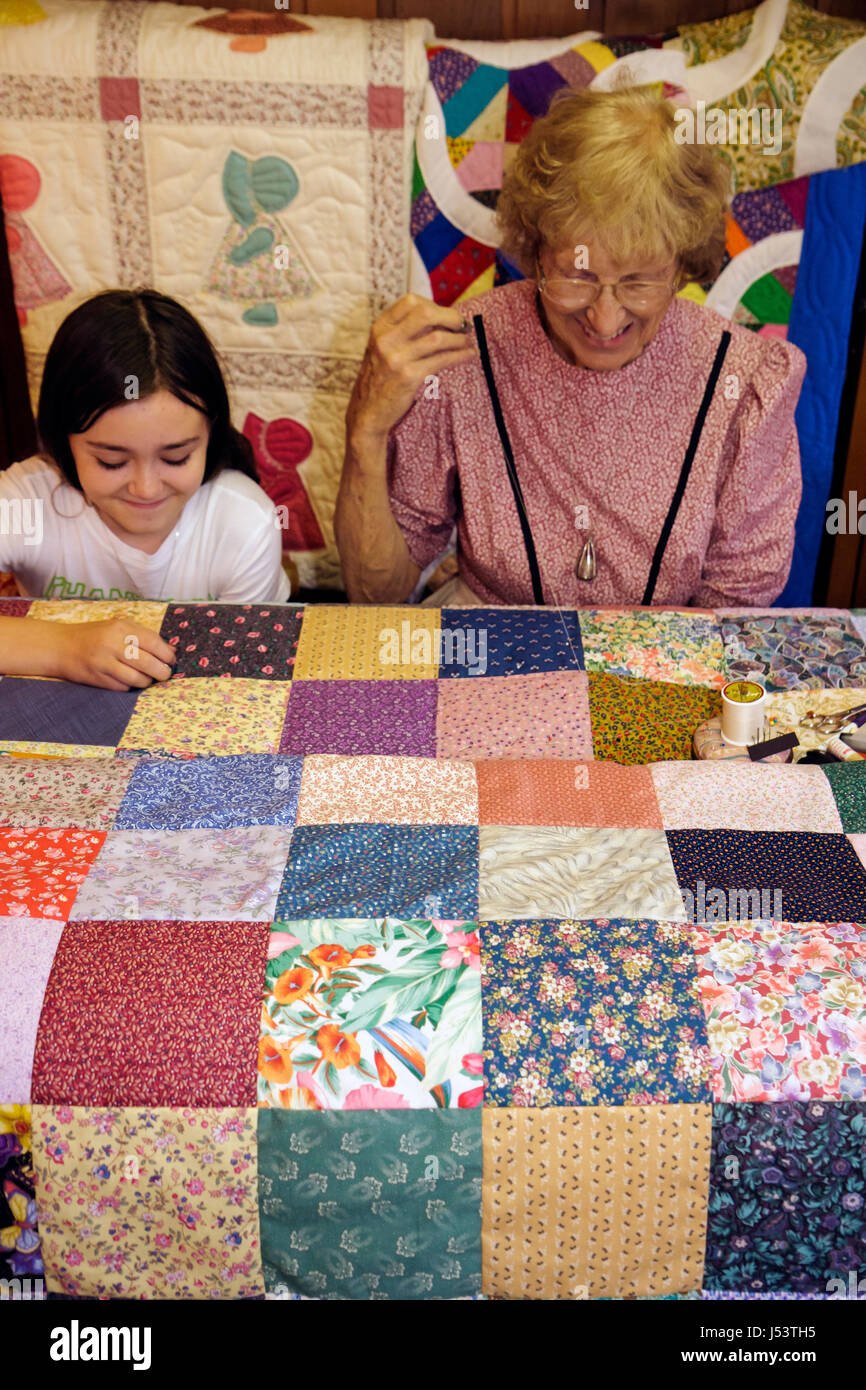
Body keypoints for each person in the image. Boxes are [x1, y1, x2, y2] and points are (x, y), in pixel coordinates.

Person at [335, 83, 807, 608]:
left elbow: (732, 616)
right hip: (488, 646)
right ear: (536, 254)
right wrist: (365, 431)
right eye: (576, 276)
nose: (604, 319)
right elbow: (375, 596)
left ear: (681, 264)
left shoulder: (743, 382)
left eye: (639, 281)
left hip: (668, 664)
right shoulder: (462, 351)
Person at [0, 289, 289, 689]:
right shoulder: (27, 502)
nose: (146, 488)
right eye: (111, 462)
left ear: (211, 436)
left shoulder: (243, 523)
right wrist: (63, 648)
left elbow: (248, 683)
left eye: (176, 458)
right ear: (62, 441)